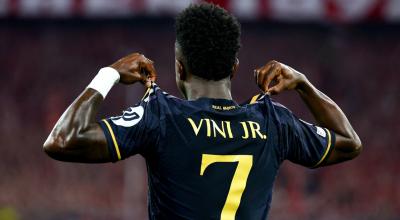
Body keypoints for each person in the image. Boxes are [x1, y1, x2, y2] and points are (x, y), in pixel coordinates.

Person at [43, 3, 362, 220]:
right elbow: (348, 142)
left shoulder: (162, 117)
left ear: (179, 68)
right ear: (234, 68)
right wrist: (303, 84)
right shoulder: (272, 122)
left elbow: (62, 140)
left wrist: (109, 73)